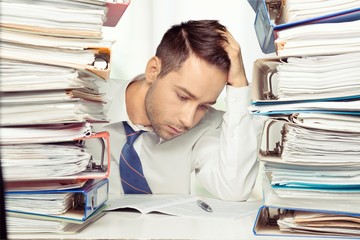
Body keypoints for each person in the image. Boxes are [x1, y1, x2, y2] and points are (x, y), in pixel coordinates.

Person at [103, 20, 263, 201]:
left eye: (203, 106)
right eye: (182, 97)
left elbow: (234, 189)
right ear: (153, 70)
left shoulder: (205, 127)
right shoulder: (82, 103)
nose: (188, 120)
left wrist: (239, 86)